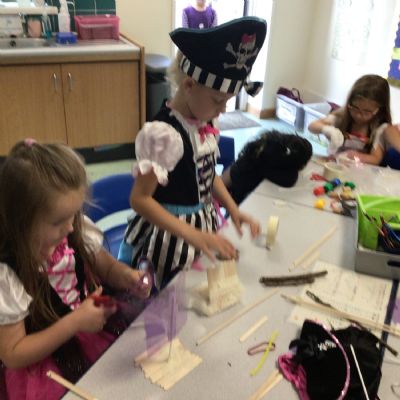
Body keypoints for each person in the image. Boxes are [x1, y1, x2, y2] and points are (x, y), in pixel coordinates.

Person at [119, 17, 266, 289]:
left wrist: (233, 209)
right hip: (169, 235)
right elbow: (140, 199)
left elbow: (207, 176)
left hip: (200, 227)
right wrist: (192, 234)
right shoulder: (163, 135)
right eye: (218, 100)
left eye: (227, 101)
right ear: (189, 86)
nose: (223, 110)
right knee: (170, 295)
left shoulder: (204, 121)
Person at [0, 140, 151, 400]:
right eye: (59, 221)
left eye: (75, 214)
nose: (71, 227)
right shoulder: (8, 274)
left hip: (88, 328)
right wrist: (75, 322)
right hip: (44, 364)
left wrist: (126, 276)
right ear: (21, 221)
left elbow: (106, 266)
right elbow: (13, 354)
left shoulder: (75, 228)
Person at [308, 74, 392, 165]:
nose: (359, 115)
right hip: (335, 165)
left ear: (379, 110)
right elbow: (312, 126)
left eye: (367, 112)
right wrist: (327, 130)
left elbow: (375, 159)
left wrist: (352, 156)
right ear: (350, 102)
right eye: (355, 108)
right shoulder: (341, 117)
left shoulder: (380, 128)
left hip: (360, 171)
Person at [221, 131, 313, 204]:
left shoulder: (267, 150)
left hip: (232, 190)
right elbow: (290, 180)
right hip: (238, 203)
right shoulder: (264, 165)